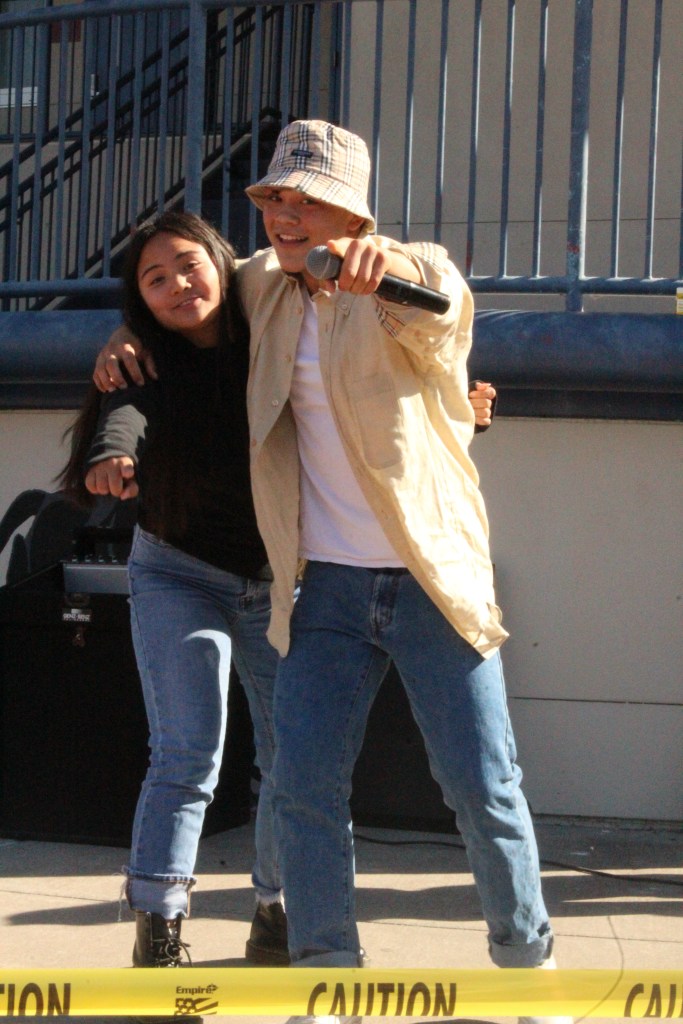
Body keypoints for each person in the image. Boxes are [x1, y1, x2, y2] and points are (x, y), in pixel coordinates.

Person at [59, 212, 288, 972]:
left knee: (292, 757)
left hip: (278, 581)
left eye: (188, 265)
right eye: (155, 280)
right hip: (178, 571)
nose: (178, 285)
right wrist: (110, 457)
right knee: (187, 752)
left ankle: (277, 912)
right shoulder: (142, 359)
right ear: (141, 302)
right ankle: (157, 933)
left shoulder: (273, 328)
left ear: (221, 262)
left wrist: (455, 409)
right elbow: (123, 418)